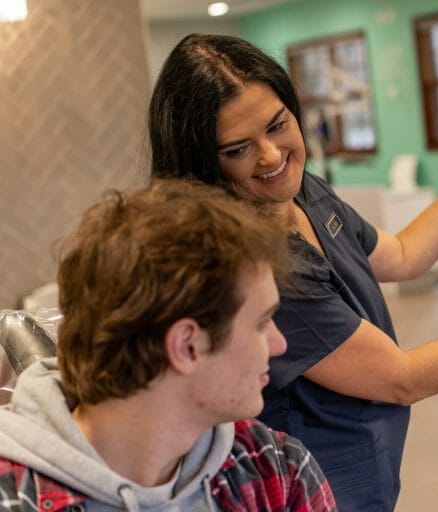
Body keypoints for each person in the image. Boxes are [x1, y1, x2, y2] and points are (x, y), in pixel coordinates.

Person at [148, 33, 438, 512]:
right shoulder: (256, 268)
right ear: (203, 162)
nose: (272, 157)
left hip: (368, 463)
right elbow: (401, 378)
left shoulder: (304, 193)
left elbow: (403, 254)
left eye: (278, 126)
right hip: (317, 481)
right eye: (238, 149)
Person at [0, 179, 337, 511]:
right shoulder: (14, 496)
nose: (278, 345)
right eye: (262, 323)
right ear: (186, 346)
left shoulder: (278, 472)